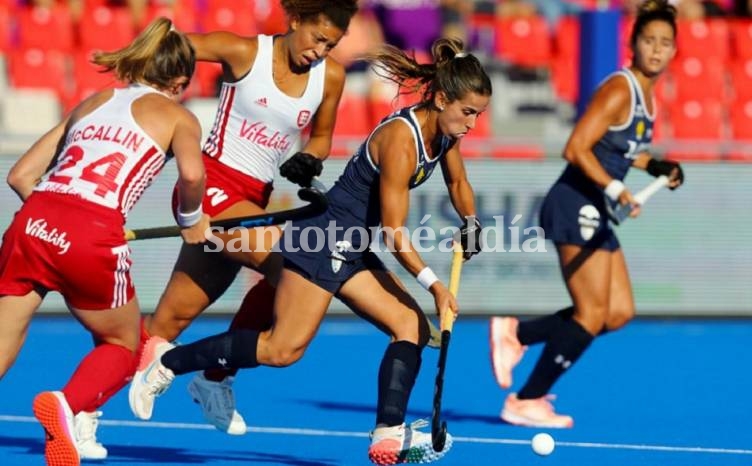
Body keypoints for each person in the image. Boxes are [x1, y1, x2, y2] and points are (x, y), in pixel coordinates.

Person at [129, 37, 491, 464]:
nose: (472, 124)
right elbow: (394, 229)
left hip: (351, 246)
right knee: (283, 350)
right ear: (443, 98)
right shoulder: (401, 139)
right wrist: (433, 285)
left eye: (478, 115)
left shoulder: (445, 134)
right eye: (468, 112)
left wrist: (471, 223)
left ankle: (387, 434)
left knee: (408, 323)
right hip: (321, 240)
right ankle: (171, 361)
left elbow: (459, 184)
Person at [131, 0, 358, 438]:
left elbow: (323, 136)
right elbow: (172, 44)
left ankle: (80, 407)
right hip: (211, 190)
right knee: (294, 266)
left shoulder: (330, 76)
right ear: (295, 21)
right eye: (316, 38)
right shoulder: (243, 52)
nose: (320, 51)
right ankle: (214, 377)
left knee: (164, 327)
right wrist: (139, 90)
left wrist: (309, 158)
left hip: (254, 202)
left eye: (331, 44)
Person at [0, 17, 208, 466]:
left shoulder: (93, 100)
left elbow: (20, 176)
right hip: (91, 232)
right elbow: (192, 175)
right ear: (180, 81)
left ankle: (79, 423)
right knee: (124, 343)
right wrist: (192, 219)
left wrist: (54, 220)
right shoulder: (179, 116)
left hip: (32, 220)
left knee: (5, 331)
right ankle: (70, 405)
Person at [489, 0, 684, 428]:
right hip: (575, 202)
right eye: (648, 40)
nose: (656, 49)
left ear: (674, 50)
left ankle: (517, 333)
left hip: (595, 205)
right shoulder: (620, 89)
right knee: (591, 312)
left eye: (665, 43)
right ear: (632, 44)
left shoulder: (648, 97)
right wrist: (616, 188)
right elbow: (575, 146)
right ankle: (526, 399)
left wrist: (657, 166)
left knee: (618, 312)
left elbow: (625, 151)